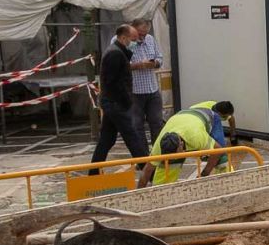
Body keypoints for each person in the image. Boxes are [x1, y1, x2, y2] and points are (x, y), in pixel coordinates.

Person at [90, 24, 148, 172]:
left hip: (113, 103)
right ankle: (149, 172)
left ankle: (93, 171)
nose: (135, 43)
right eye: (133, 39)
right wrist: (126, 101)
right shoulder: (115, 54)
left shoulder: (117, 52)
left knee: (107, 140)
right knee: (132, 138)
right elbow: (113, 82)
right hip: (116, 104)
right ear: (123, 38)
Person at [137, 106, 220, 187]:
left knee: (222, 159)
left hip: (208, 117)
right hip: (180, 118)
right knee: (167, 165)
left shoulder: (196, 137)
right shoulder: (158, 146)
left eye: (173, 156)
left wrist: (203, 175)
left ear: (181, 145)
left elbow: (218, 149)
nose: (171, 159)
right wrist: (138, 193)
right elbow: (147, 171)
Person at [127, 18, 165, 146]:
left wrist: (154, 63)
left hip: (152, 89)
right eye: (140, 34)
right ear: (132, 30)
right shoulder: (125, 41)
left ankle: (158, 152)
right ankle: (142, 154)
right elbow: (121, 64)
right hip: (134, 91)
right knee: (137, 125)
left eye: (145, 33)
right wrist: (138, 65)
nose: (142, 37)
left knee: (157, 122)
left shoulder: (150, 39)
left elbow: (160, 57)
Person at [190, 100, 235, 173]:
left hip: (190, 117)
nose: (225, 118)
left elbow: (231, 118)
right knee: (219, 149)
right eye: (224, 117)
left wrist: (233, 135)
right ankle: (211, 169)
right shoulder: (212, 115)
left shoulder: (218, 106)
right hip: (195, 121)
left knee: (216, 147)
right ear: (218, 113)